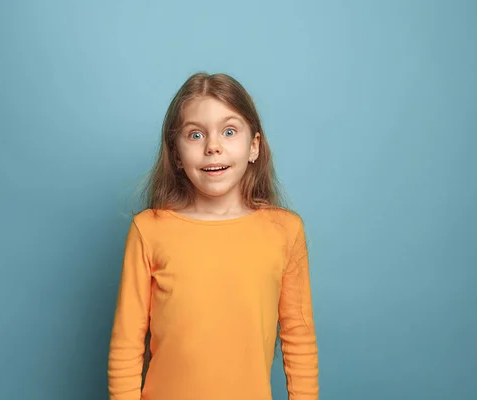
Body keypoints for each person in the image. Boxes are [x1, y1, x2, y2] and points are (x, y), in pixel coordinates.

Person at [107, 72, 319, 399]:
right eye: (195, 135)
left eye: (229, 131)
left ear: (254, 147)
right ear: (176, 155)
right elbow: (126, 345)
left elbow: (299, 341)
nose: (213, 147)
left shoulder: (285, 231)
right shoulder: (149, 229)